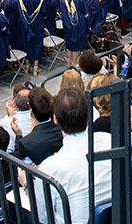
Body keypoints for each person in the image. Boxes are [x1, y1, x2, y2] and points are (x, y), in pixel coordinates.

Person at [25, 88, 112, 224]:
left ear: (55, 119)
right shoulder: (109, 141)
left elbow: (43, 218)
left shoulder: (49, 168)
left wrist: (27, 185)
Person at [12, 87, 63, 164]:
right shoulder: (58, 129)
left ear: (31, 111)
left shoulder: (26, 142)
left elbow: (14, 158)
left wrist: (18, 135)